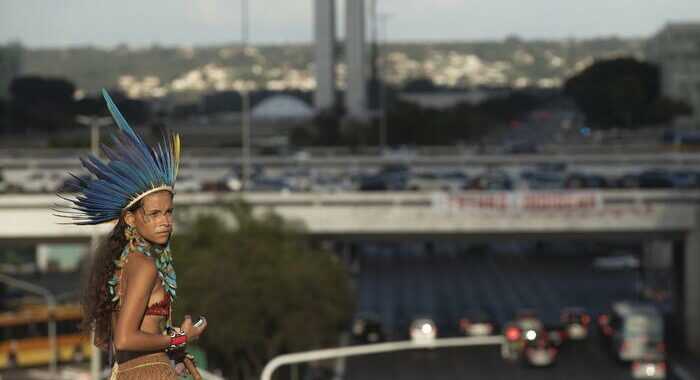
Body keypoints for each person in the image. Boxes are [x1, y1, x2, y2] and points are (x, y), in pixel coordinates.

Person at [57, 90, 207, 379]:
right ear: (130, 218)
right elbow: (125, 339)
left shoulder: (123, 263)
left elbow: (111, 341)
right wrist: (179, 339)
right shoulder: (144, 265)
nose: (165, 222)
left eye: (169, 212)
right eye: (154, 214)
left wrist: (170, 353)